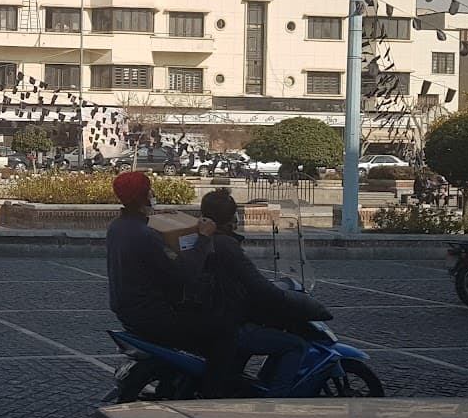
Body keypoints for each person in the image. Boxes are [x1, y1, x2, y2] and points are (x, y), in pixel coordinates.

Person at [195, 189, 330, 396]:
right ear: (230, 220)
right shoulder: (227, 245)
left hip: (210, 318)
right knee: (296, 346)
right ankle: (276, 400)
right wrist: (287, 299)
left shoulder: (203, 239)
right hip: (230, 324)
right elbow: (256, 284)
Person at [106, 170, 224, 376]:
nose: (152, 193)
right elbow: (183, 272)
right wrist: (204, 238)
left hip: (128, 311)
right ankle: (215, 386)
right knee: (221, 334)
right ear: (144, 195)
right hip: (154, 314)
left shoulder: (116, 227)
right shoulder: (144, 235)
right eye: (149, 189)